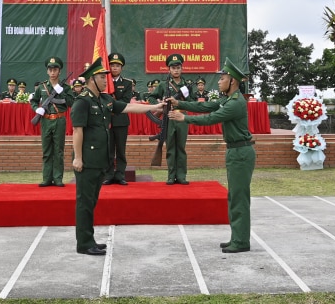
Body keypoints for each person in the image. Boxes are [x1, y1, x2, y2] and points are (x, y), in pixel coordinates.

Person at [70, 57, 161, 255]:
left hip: (99, 161)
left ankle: (89, 239)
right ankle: (84, 243)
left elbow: (127, 107)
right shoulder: (82, 102)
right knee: (85, 203)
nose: (106, 80)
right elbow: (77, 131)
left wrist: (154, 107)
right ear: (91, 79)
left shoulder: (104, 99)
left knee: (91, 202)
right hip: (86, 161)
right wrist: (77, 158)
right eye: (102, 77)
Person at [168, 59, 255, 254]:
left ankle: (241, 241)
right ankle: (237, 237)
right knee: (233, 196)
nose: (218, 81)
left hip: (240, 152)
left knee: (239, 198)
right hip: (236, 151)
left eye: (222, 78)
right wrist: (179, 102)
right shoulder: (228, 99)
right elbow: (206, 106)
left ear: (232, 81)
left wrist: (184, 118)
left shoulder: (236, 103)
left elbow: (211, 118)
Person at [148, 53, 194, 185]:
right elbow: (151, 97)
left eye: (178, 67)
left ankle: (181, 176)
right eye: (173, 68)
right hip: (169, 118)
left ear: (182, 68)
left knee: (181, 148)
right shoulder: (164, 84)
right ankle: (171, 175)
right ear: (169, 69)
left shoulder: (187, 85)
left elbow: (193, 101)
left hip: (182, 118)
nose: (176, 70)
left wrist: (184, 100)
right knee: (170, 148)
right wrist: (160, 104)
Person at [31, 57, 73, 187]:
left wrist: (62, 94)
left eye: (55, 69)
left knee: (58, 151)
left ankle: (58, 178)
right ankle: (47, 178)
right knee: (47, 151)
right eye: (50, 69)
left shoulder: (65, 87)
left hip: (59, 120)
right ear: (47, 72)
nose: (53, 72)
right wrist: (37, 109)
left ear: (59, 71)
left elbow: (71, 103)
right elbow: (33, 100)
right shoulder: (42, 87)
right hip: (46, 121)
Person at [103, 52, 134, 185]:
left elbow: (125, 101)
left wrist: (112, 102)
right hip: (107, 121)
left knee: (121, 150)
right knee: (108, 150)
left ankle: (120, 174)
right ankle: (109, 175)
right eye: (112, 65)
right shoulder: (103, 82)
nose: (114, 68)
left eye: (117, 66)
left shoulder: (127, 83)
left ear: (121, 68)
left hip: (121, 120)